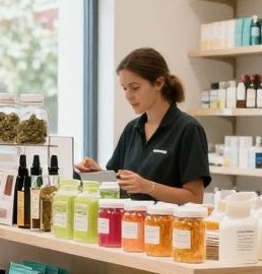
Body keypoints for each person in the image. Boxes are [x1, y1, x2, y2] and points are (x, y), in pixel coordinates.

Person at [75, 48, 211, 204]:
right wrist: (97, 174)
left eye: (135, 87)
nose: (128, 96)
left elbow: (195, 198)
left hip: (169, 220)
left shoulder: (188, 129)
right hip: (130, 218)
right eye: (125, 88)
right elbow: (121, 183)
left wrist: (148, 187)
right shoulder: (132, 129)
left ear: (159, 83)